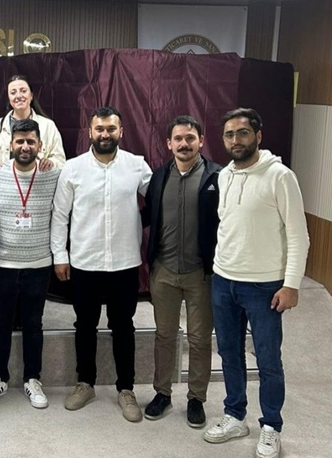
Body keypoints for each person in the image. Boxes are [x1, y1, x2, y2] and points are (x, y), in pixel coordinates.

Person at [203, 108, 309, 458]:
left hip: (264, 286)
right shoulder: (224, 176)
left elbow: (299, 235)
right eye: (229, 134)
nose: (236, 140)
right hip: (224, 281)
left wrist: (291, 284)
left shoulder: (280, 176)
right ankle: (235, 415)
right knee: (229, 354)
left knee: (268, 360)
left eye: (243, 133)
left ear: (258, 136)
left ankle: (271, 426)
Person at [51, 106, 152, 421]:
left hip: (124, 263)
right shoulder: (73, 168)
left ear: (121, 131)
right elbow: (60, 214)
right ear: (90, 132)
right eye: (99, 129)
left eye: (111, 129)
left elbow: (160, 201)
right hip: (85, 262)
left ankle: (126, 389)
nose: (105, 134)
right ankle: (85, 383)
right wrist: (60, 256)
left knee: (123, 326)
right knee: (85, 325)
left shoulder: (137, 166)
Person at [142, 115, 221, 428]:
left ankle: (196, 398)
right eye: (178, 138)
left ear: (201, 140)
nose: (184, 144)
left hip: (201, 273)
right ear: (168, 144)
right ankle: (162, 393)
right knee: (164, 335)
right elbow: (148, 216)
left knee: (199, 339)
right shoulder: (159, 177)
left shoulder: (218, 177)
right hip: (164, 271)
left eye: (190, 138)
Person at [0, 119, 60, 409]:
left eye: (30, 142)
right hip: (3, 262)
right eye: (20, 141)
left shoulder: (52, 174)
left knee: (33, 324)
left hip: (38, 263)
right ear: (11, 144)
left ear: (40, 145)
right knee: (1, 323)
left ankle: (32, 378)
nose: (25, 146)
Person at [0, 75, 65, 171]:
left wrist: (51, 163)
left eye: (23, 91)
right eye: (13, 93)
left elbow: (60, 161)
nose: (18, 96)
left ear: (31, 95)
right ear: (9, 98)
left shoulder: (48, 126)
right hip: (3, 179)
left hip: (38, 179)